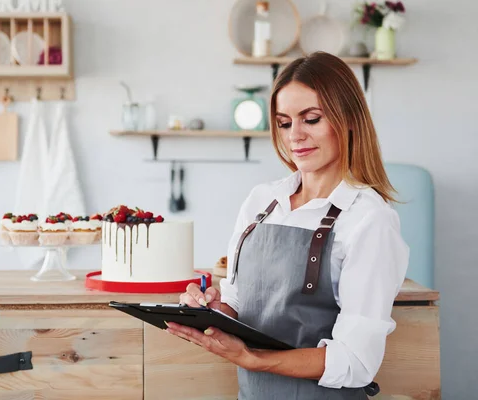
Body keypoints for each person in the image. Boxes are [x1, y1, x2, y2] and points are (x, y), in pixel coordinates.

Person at [166, 51, 410, 400]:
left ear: (350, 119)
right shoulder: (261, 201)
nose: (295, 135)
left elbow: (356, 361)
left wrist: (254, 358)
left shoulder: (369, 219)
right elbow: (239, 300)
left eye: (311, 119)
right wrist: (211, 311)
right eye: (283, 122)